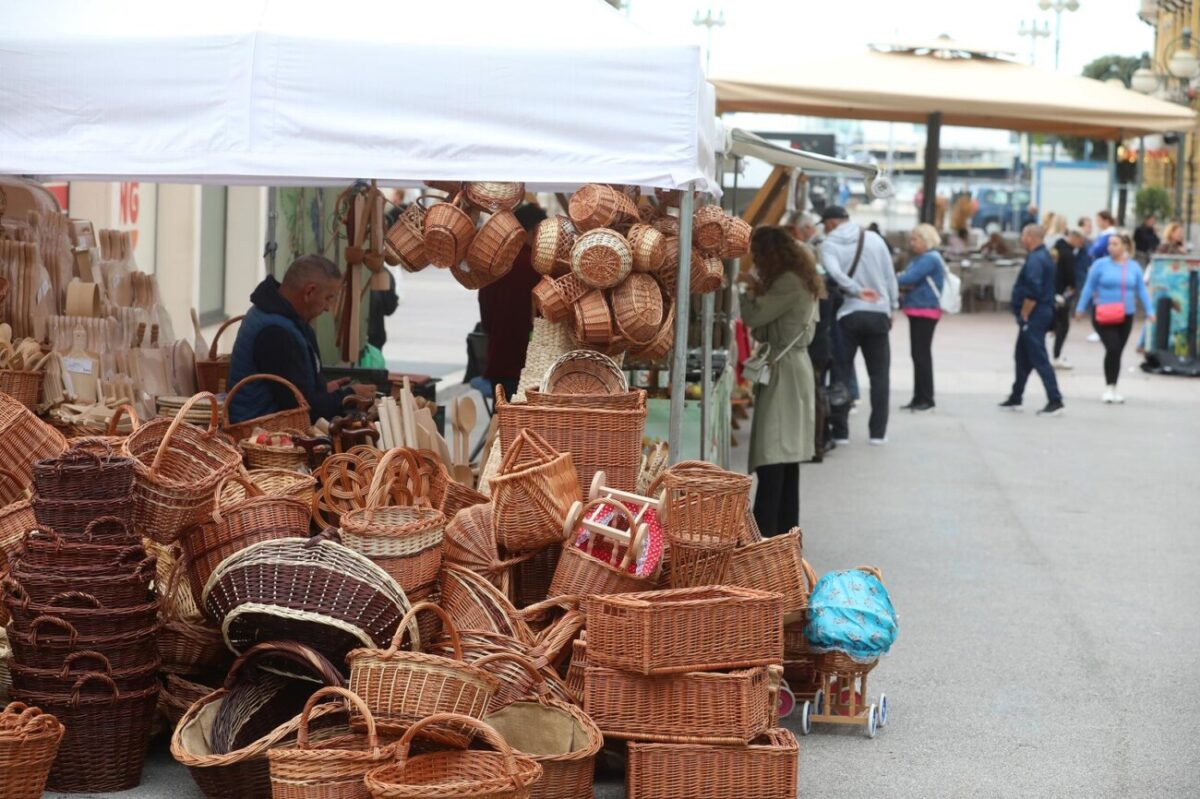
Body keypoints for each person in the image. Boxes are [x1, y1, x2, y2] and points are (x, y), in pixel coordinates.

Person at [227, 254, 375, 425]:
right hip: (261, 434)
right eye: (328, 298)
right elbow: (301, 409)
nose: (328, 307)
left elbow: (292, 391)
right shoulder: (275, 333)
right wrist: (347, 396)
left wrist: (325, 390)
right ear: (309, 292)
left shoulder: (279, 316)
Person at [742, 226, 822, 536]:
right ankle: (785, 531)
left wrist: (748, 290)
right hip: (791, 366)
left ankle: (768, 533)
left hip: (784, 371)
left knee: (774, 452)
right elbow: (767, 328)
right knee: (785, 457)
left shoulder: (787, 283)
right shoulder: (798, 280)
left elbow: (755, 319)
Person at [819, 205, 899, 445]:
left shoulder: (828, 245)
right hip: (878, 313)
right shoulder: (874, 239)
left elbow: (834, 273)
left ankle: (841, 432)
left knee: (841, 372)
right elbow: (889, 275)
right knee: (880, 374)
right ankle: (878, 433)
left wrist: (855, 290)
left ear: (831, 223)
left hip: (848, 314)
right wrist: (892, 305)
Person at [1075, 232, 1155, 403]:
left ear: (1125, 246)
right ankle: (1108, 387)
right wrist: (1081, 308)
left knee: (1117, 351)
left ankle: (1113, 387)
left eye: (1115, 244)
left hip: (1126, 314)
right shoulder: (1100, 265)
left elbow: (1141, 289)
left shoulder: (1133, 267)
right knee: (1112, 348)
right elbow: (1089, 287)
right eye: (1110, 244)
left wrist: (1150, 311)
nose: (1111, 247)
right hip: (1103, 313)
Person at [477, 203, 546, 398]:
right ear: (534, 231)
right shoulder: (535, 266)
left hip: (498, 356)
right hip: (529, 363)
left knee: (499, 422)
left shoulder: (495, 261)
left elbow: (486, 315)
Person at [998, 224, 1065, 416]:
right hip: (1039, 312)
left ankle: (1055, 399)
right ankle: (1016, 395)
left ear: (1030, 237)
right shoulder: (1042, 256)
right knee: (1022, 356)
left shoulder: (1036, 259)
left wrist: (1025, 313)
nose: (1021, 239)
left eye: (1023, 235)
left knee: (1038, 356)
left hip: (1035, 314)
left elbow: (1033, 290)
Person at [896, 224, 946, 412]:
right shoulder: (925, 258)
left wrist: (889, 278)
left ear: (926, 240)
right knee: (918, 355)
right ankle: (919, 396)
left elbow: (909, 278)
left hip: (925, 309)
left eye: (915, 239)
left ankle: (926, 397)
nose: (912, 243)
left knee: (921, 355)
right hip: (918, 309)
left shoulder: (929, 259)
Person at [1050, 227, 1078, 370]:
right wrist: (1073, 286)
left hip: (1053, 291)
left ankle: (1054, 354)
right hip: (1061, 292)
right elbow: (1070, 274)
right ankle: (1056, 356)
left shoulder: (1057, 249)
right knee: (1063, 325)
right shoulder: (1068, 254)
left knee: (1056, 323)